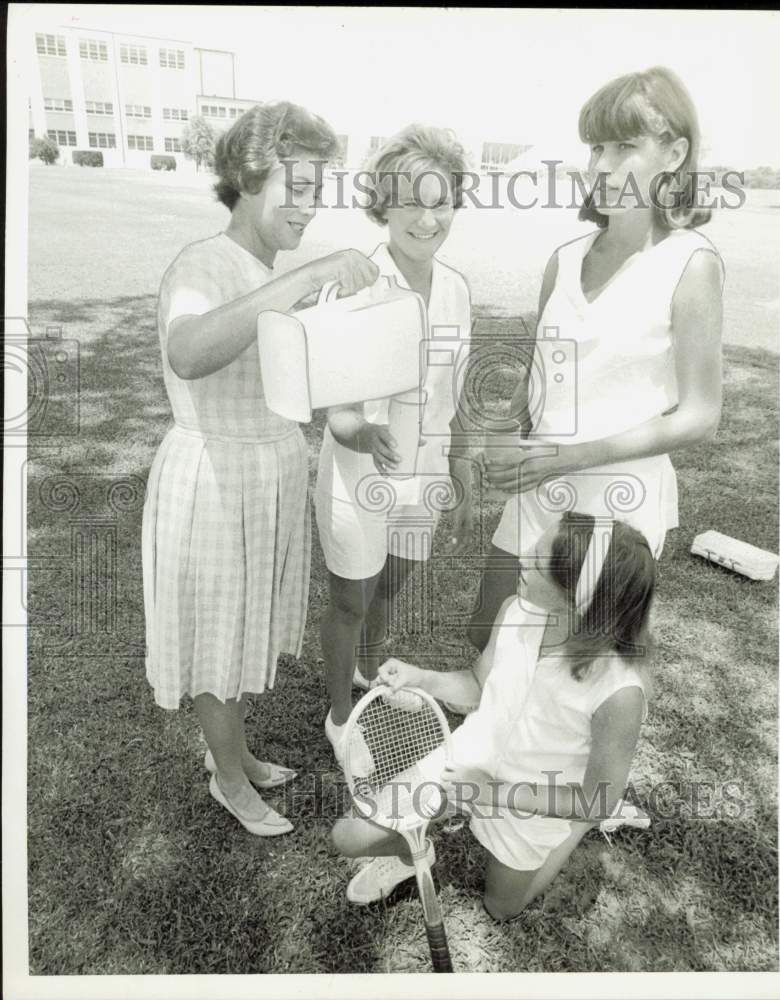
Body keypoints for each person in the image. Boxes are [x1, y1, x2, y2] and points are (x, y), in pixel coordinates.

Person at [141, 101, 379, 836]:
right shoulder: (204, 262)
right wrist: (305, 281)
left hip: (266, 470)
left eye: (316, 189)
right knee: (217, 634)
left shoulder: (265, 269)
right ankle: (229, 780)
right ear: (248, 178)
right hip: (214, 474)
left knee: (243, 631)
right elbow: (187, 351)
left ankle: (235, 757)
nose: (308, 207)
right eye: (295, 187)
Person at [468, 66, 724, 652]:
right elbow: (538, 378)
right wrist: (505, 430)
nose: (603, 166)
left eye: (626, 147)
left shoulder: (691, 264)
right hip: (537, 491)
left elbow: (700, 414)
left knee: (574, 682)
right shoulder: (564, 258)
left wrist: (571, 456)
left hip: (616, 510)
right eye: (596, 148)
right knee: (488, 642)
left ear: (674, 153)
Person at [331, 511, 656, 918]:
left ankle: (577, 830)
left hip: (539, 798)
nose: (521, 557)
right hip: (468, 760)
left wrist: (494, 795)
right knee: (348, 837)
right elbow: (478, 682)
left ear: (578, 598)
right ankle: (415, 852)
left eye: (538, 562)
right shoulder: (515, 611)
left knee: (501, 908)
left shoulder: (619, 691)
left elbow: (598, 798)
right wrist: (422, 678)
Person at [315, 125, 475, 772]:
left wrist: (458, 471)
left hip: (424, 475)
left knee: (388, 592)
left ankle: (370, 681)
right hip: (358, 473)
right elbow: (336, 413)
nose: (427, 217)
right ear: (383, 203)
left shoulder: (458, 289)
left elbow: (456, 395)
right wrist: (363, 432)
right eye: (410, 201)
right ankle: (336, 718)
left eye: (440, 203)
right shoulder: (355, 283)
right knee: (351, 599)